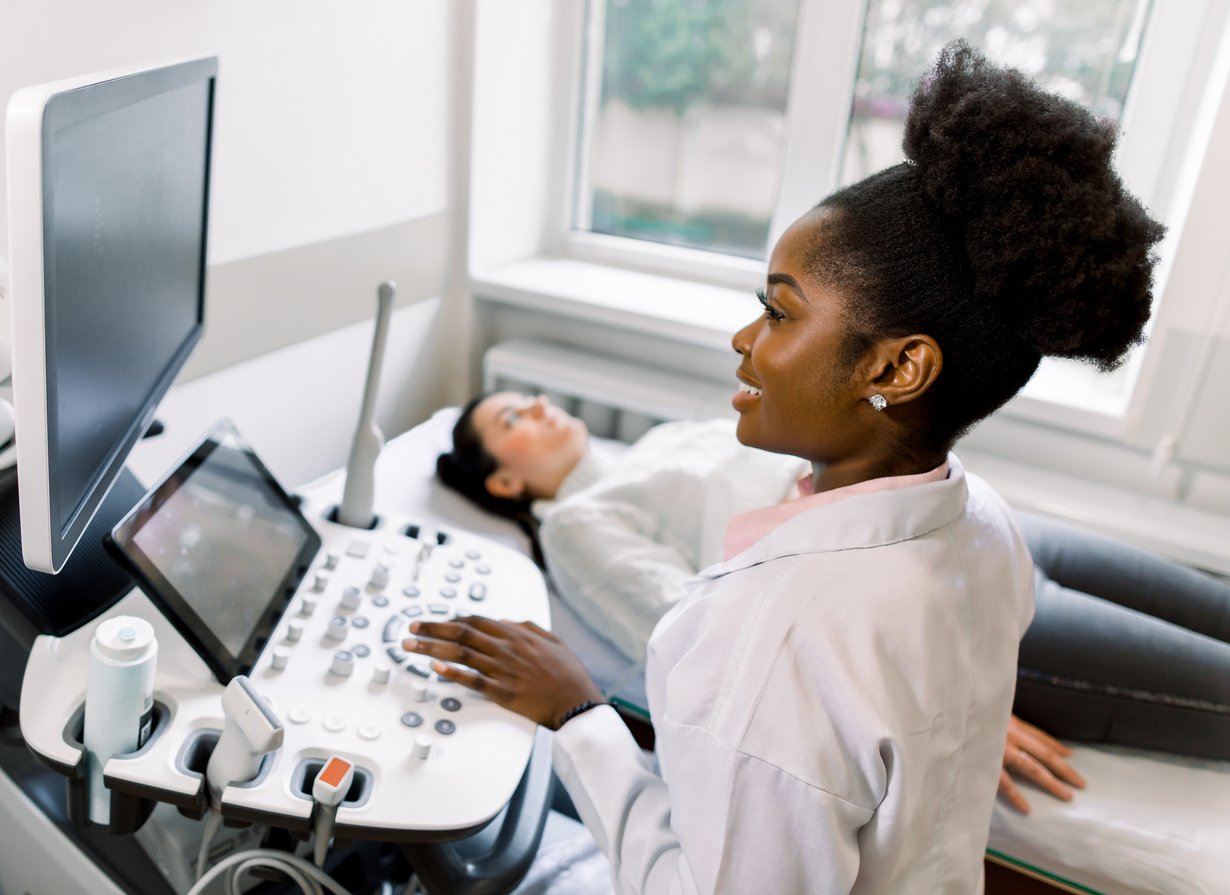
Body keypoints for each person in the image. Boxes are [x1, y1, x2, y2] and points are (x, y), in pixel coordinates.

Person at [403, 43, 1164, 892]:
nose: (744, 338)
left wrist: (578, 713)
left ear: (896, 368)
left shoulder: (778, 644)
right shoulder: (983, 521)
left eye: (778, 310)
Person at [438, 392, 1230, 812]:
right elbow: (706, 634)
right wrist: (940, 706)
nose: (538, 406)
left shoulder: (656, 443)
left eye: (529, 397)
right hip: (951, 611)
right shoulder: (580, 522)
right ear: (504, 480)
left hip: (985, 524)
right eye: (513, 417)